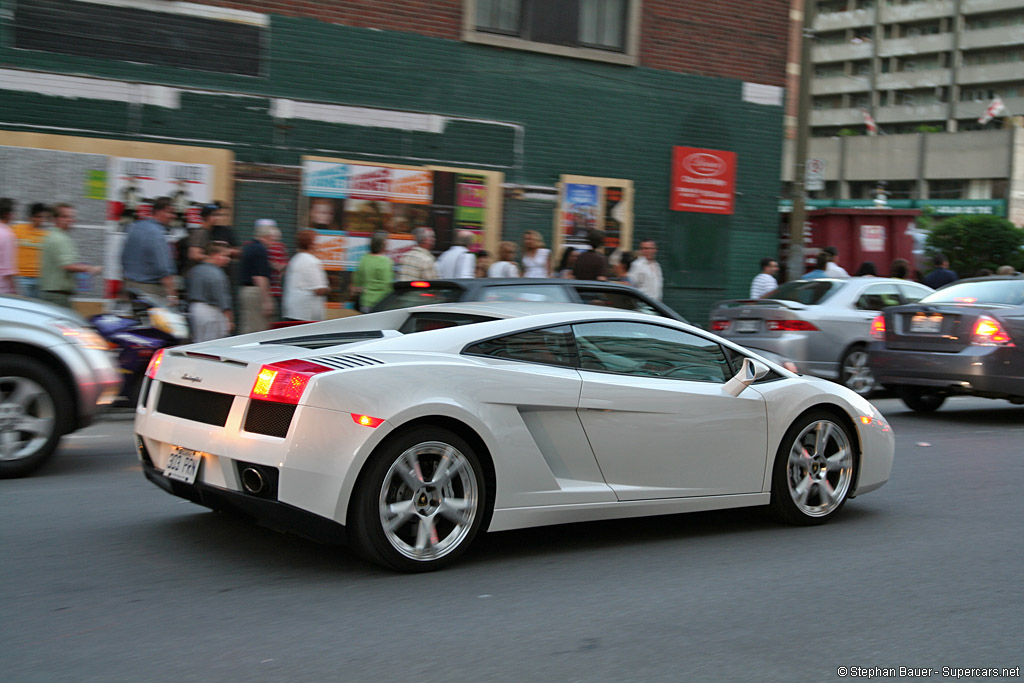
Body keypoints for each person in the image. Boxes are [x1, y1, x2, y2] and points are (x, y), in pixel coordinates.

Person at [38, 203, 102, 310]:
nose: (71, 220)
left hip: (54, 294)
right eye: (65, 216)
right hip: (57, 296)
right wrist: (90, 268)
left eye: (72, 216)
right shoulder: (59, 239)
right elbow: (68, 265)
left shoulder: (53, 236)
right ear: (55, 219)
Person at [121, 196, 178, 305]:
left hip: (130, 286)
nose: (173, 216)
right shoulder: (157, 233)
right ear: (159, 212)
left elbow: (124, 257)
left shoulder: (135, 227)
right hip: (150, 290)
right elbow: (163, 267)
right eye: (170, 212)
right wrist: (172, 295)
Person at [186, 243, 233, 342]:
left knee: (198, 342)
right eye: (224, 255)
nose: (227, 259)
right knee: (211, 345)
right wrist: (229, 319)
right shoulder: (216, 273)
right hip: (211, 311)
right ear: (214, 255)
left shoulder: (195, 270)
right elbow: (222, 298)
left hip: (194, 309)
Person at [238, 220, 277, 333]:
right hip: (256, 292)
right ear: (268, 236)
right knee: (257, 329)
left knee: (249, 324)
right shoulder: (261, 250)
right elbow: (260, 277)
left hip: (246, 291)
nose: (273, 242)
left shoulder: (248, 247)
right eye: (273, 239)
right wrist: (267, 301)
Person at [282, 229, 329, 321]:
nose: (319, 244)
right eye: (317, 241)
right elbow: (319, 290)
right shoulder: (311, 261)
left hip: (292, 310)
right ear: (311, 244)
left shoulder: (295, 259)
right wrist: (328, 289)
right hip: (305, 313)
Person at [12, 203, 51, 298]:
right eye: (38, 217)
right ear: (31, 217)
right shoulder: (17, 230)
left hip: (40, 278)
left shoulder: (48, 235)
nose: (42, 220)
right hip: (21, 277)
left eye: (43, 217)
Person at [353, 232, 394, 312]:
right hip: (380, 303)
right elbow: (387, 285)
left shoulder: (364, 259)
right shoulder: (385, 261)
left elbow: (357, 281)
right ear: (383, 245)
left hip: (365, 301)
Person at [0, 198, 17, 296]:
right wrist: (15, 292)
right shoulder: (7, 234)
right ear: (7, 214)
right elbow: (7, 270)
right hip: (3, 291)